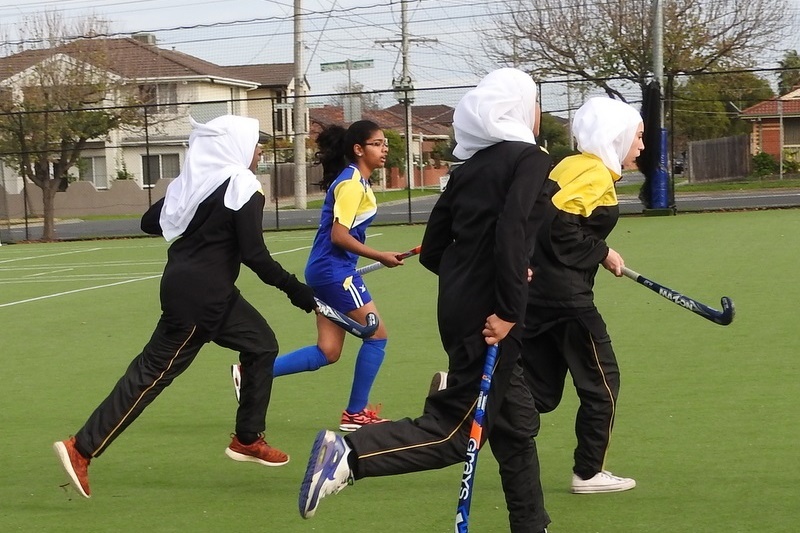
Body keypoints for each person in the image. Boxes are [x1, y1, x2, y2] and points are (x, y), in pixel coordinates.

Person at [297, 68, 554, 533]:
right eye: (535, 102)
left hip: (457, 306)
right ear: (519, 109)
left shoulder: (469, 167)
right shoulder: (529, 159)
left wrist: (481, 277)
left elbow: (435, 250)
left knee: (515, 425)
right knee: (456, 433)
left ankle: (532, 524)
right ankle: (349, 456)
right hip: (493, 311)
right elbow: (512, 230)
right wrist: (510, 307)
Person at [52, 114, 317, 499]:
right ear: (235, 147)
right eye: (255, 142)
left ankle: (247, 438)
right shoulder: (242, 184)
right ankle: (82, 448)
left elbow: (148, 222)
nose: (260, 149)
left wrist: (188, 199)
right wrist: (296, 290)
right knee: (151, 375)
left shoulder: (197, 183)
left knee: (261, 344)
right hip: (201, 299)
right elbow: (254, 254)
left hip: (202, 291)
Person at [231, 119, 404, 432]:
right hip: (334, 272)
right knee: (377, 336)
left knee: (328, 351)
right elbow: (340, 236)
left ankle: (249, 372)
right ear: (358, 149)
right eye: (377, 144)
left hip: (327, 270)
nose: (384, 150)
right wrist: (381, 255)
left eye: (385, 144)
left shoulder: (356, 181)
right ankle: (355, 413)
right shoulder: (351, 184)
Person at [520, 96, 645, 494]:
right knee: (603, 384)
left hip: (537, 293)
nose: (641, 146)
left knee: (540, 391)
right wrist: (603, 251)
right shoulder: (594, 175)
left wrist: (596, 253)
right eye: (638, 137)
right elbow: (557, 228)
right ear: (618, 135)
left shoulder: (570, 164)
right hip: (567, 299)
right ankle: (588, 472)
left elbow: (546, 221)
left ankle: (462, 389)